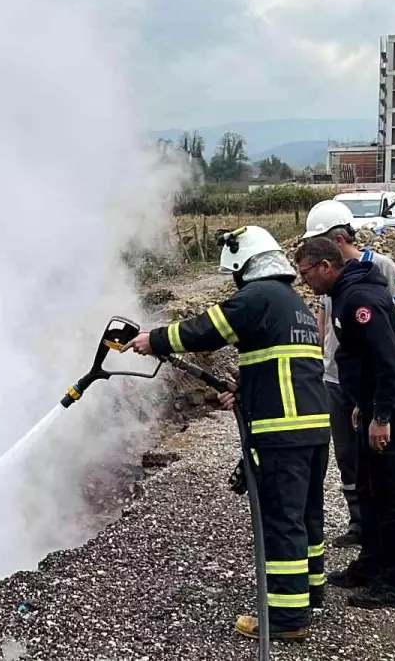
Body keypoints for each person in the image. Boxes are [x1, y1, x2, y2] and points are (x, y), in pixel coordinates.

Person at [124, 226, 330, 641]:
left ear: (243, 263)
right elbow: (280, 365)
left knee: (281, 519)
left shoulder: (258, 296)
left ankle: (287, 619)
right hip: (311, 427)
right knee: (306, 513)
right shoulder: (294, 303)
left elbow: (206, 329)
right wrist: (244, 390)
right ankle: (308, 591)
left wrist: (154, 339)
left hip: (281, 431)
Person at [293, 236, 395, 609]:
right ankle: (370, 563)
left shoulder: (359, 300)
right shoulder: (344, 294)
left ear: (325, 267)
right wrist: (362, 406)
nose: (304, 282)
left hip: (391, 406)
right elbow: (359, 360)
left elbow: (387, 362)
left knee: (388, 494)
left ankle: (394, 584)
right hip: (369, 404)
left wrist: (380, 415)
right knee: (366, 487)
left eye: (305, 273)